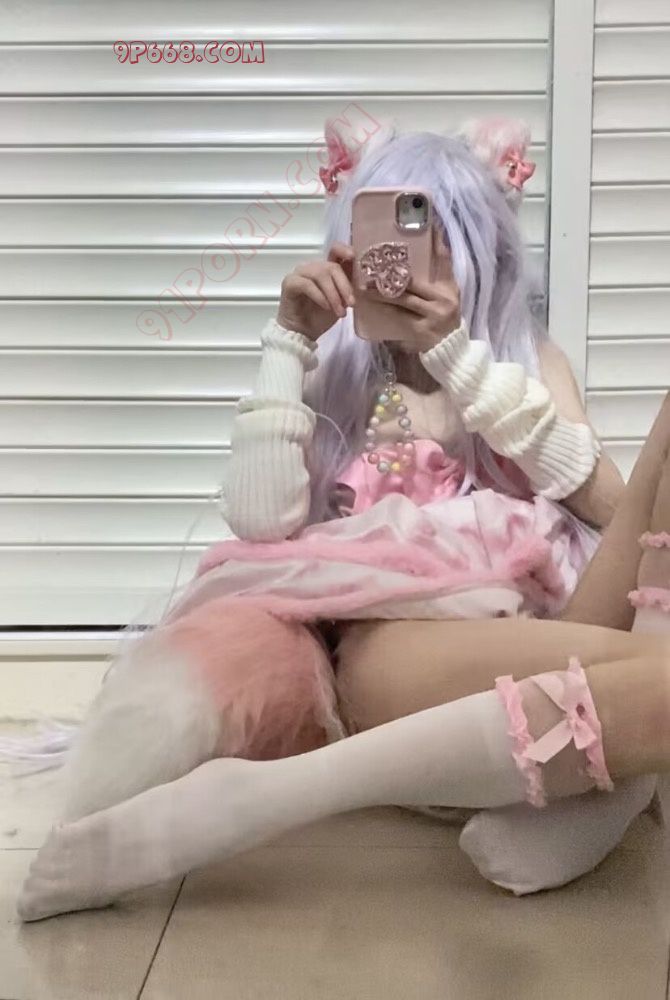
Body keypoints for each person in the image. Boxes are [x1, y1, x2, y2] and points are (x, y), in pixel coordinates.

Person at [17, 119, 670, 922]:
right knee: (649, 675)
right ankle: (620, 770)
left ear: (484, 252)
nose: (405, 265)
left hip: (531, 623)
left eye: (440, 240)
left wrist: (458, 358)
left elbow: (616, 512)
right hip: (390, 641)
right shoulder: (335, 371)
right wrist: (287, 342)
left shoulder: (522, 363)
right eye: (385, 236)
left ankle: (619, 779)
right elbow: (261, 524)